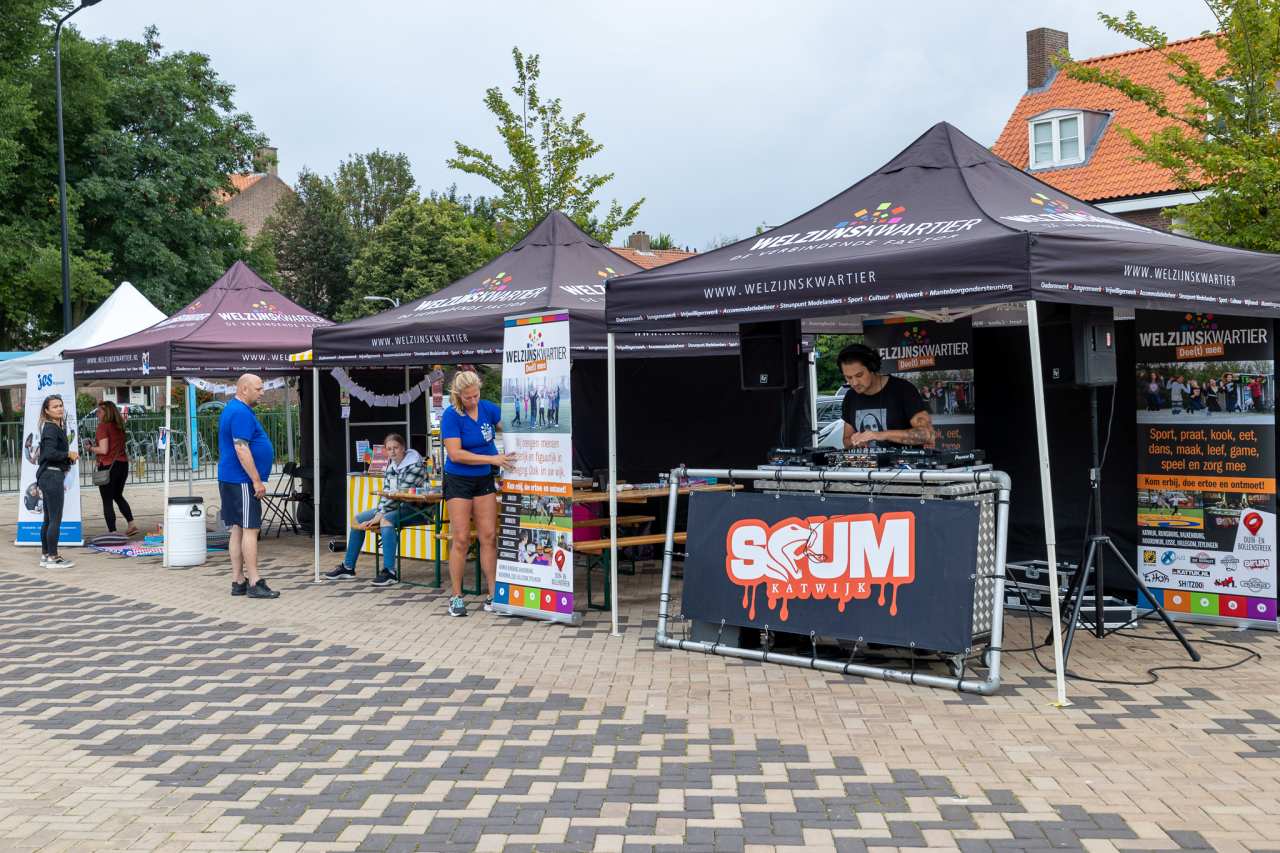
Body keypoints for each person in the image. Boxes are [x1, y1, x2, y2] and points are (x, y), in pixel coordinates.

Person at [440, 370, 517, 616]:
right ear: (458, 395)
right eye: (468, 397)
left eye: (476, 395)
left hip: (483, 478)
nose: (473, 401)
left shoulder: (487, 408)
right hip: (458, 479)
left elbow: (511, 426)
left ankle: (493, 594)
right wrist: (492, 458)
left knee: (489, 535)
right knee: (461, 537)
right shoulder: (451, 415)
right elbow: (455, 454)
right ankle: (456, 596)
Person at [326, 433, 426, 586]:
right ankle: (348, 567)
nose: (392, 452)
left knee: (386, 520)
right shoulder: (391, 467)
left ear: (403, 448)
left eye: (396, 448)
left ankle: (390, 572)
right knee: (358, 519)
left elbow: (401, 493)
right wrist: (379, 511)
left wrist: (380, 515)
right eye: (389, 449)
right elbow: (386, 494)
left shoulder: (416, 466)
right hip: (395, 507)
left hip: (416, 509)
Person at [217, 374, 280, 599]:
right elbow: (241, 448)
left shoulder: (233, 409)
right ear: (244, 389)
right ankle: (254, 581)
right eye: (258, 388)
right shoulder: (241, 412)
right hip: (241, 480)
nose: (262, 392)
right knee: (250, 529)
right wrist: (256, 480)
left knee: (237, 529)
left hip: (230, 478)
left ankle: (238, 580)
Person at [837, 344, 935, 448]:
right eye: (848, 377)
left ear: (872, 367)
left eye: (859, 375)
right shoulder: (851, 396)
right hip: (867, 459)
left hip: (904, 459)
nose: (854, 382)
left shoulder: (903, 389)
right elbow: (846, 440)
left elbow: (928, 435)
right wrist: (855, 442)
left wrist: (880, 435)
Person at [35, 395, 77, 568]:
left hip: (49, 475)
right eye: (55, 406)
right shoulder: (51, 428)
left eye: (60, 405)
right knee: (55, 519)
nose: (59, 408)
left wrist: (68, 460)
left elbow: (51, 454)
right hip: (51, 477)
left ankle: (46, 555)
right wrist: (68, 454)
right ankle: (53, 557)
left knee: (48, 518)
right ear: (46, 411)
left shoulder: (54, 427)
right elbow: (49, 453)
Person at [91, 400, 137, 536]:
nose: (97, 414)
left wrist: (90, 448)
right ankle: (131, 524)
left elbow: (103, 449)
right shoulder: (119, 426)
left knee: (107, 500)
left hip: (108, 467)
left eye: (99, 411)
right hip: (122, 465)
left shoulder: (103, 426)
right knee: (118, 495)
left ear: (106, 413)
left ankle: (113, 532)